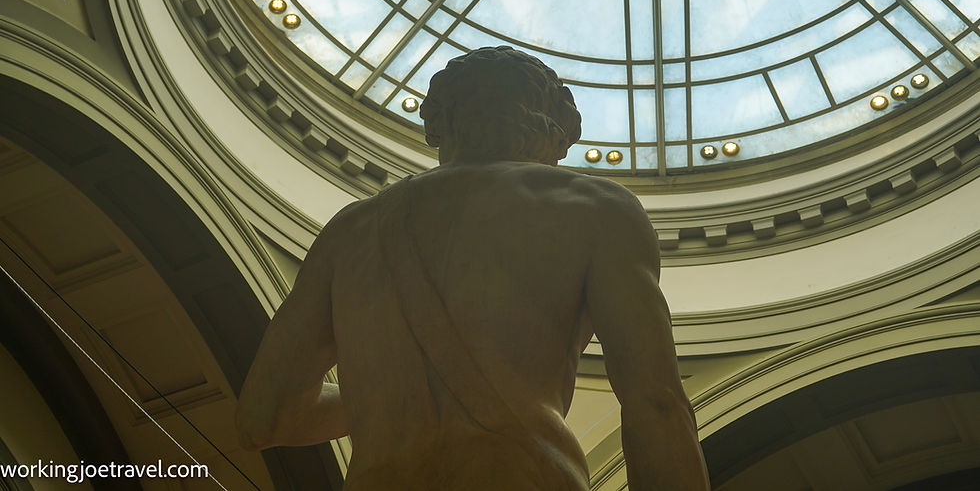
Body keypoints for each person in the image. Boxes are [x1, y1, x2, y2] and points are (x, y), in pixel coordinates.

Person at [235, 46, 710, 490]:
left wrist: (376, 398)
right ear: (553, 130)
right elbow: (656, 401)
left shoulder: (352, 228)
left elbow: (264, 417)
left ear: (440, 123)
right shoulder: (593, 206)